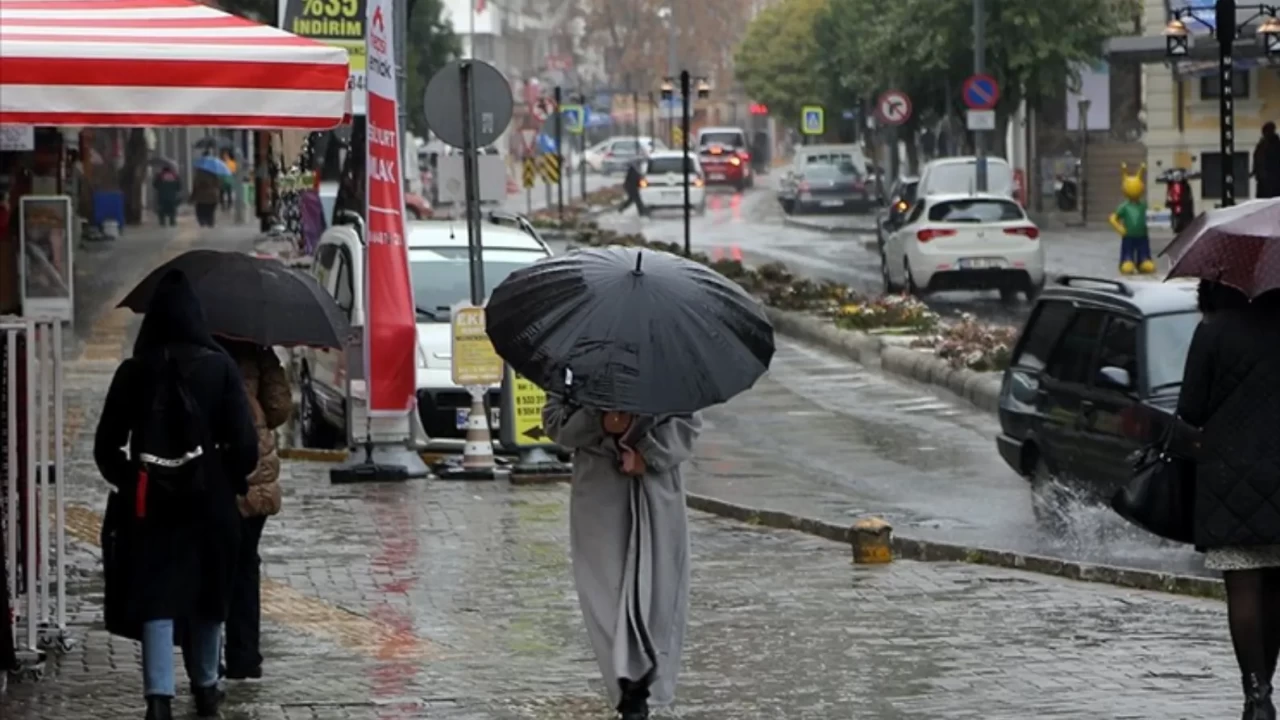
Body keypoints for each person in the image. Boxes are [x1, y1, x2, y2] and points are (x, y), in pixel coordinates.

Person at [94, 270, 258, 720]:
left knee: (156, 596)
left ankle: (158, 697)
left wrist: (133, 481)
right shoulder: (220, 367)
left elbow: (105, 446)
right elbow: (246, 445)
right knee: (210, 595)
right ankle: (206, 687)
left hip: (150, 507)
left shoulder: (134, 371)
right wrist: (224, 477)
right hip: (211, 505)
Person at [543, 395, 701, 720]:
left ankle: (651, 681)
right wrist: (600, 423)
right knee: (604, 591)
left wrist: (649, 454)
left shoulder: (668, 363)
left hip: (657, 489)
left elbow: (687, 424)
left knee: (660, 586)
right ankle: (626, 687)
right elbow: (555, 422)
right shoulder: (574, 365)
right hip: (598, 490)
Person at [1178, 282, 1280, 720]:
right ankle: (1266, 687)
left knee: (1243, 584)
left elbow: (1190, 410)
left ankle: (1256, 695)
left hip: (1228, 476)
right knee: (1276, 585)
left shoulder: (1214, 332)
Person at [216, 338, 291, 680]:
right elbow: (279, 408)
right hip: (255, 473)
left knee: (212, 564)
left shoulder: (197, 349)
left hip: (213, 469)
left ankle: (205, 658)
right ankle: (244, 656)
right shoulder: (257, 350)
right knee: (246, 564)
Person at [191, 154, 221, 229]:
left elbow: (195, 186)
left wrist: (192, 197)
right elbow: (218, 185)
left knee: (200, 212)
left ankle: (203, 223)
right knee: (210, 212)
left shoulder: (198, 174)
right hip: (212, 197)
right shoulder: (214, 173)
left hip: (201, 197)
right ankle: (210, 223)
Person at [1254, 122, 1280, 199]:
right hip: (1263, 180)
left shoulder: (1276, 145)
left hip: (1273, 180)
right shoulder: (1261, 144)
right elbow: (1258, 159)